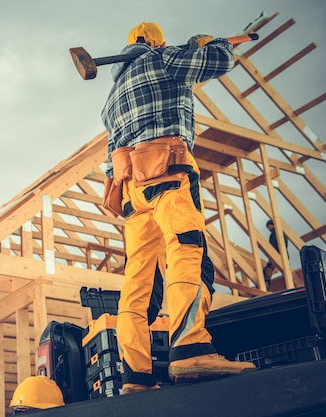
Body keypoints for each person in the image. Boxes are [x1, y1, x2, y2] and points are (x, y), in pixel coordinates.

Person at [100, 22, 256, 393]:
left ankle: (135, 377)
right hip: (167, 173)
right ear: (156, 43)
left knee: (138, 281)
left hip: (132, 193)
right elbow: (218, 61)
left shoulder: (112, 96)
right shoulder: (163, 60)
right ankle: (190, 348)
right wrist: (209, 44)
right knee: (186, 251)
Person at [263, 220, 289, 290]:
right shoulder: (278, 232)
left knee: (268, 269)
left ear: (272, 225)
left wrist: (275, 253)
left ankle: (267, 284)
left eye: (268, 227)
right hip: (281, 255)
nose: (268, 229)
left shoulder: (275, 232)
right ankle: (267, 283)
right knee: (285, 270)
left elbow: (275, 244)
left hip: (277, 254)